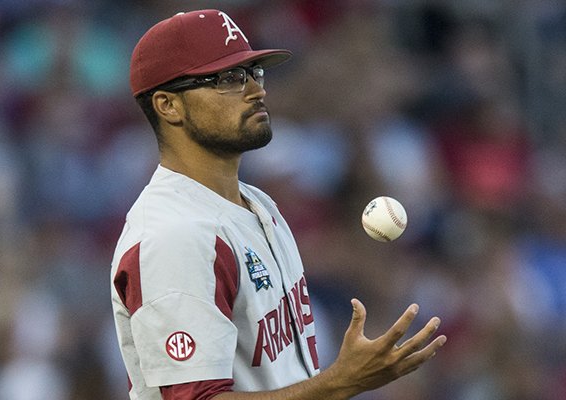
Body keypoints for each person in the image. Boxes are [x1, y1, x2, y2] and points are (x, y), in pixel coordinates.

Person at [110, 9, 447, 400]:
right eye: (229, 79)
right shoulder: (174, 235)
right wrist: (338, 384)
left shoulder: (258, 203)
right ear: (169, 105)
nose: (256, 90)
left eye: (255, 73)